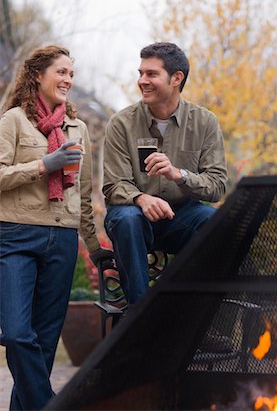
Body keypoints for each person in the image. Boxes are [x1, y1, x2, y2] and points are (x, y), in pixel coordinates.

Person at [0, 45, 109, 410]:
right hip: (16, 235)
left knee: (46, 344)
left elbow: (83, 192)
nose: (68, 80)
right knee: (16, 335)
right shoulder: (13, 121)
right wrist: (44, 164)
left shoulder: (77, 128)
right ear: (37, 75)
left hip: (62, 239)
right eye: (61, 72)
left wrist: (94, 247)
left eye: (71, 74)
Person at [102, 42, 228, 307]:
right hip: (133, 217)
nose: (142, 81)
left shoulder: (205, 122)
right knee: (127, 218)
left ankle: (196, 316)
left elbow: (217, 186)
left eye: (151, 74)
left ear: (176, 78)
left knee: (213, 221)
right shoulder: (121, 123)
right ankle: (139, 317)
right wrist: (141, 199)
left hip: (180, 216)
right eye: (140, 73)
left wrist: (178, 174)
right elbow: (114, 185)